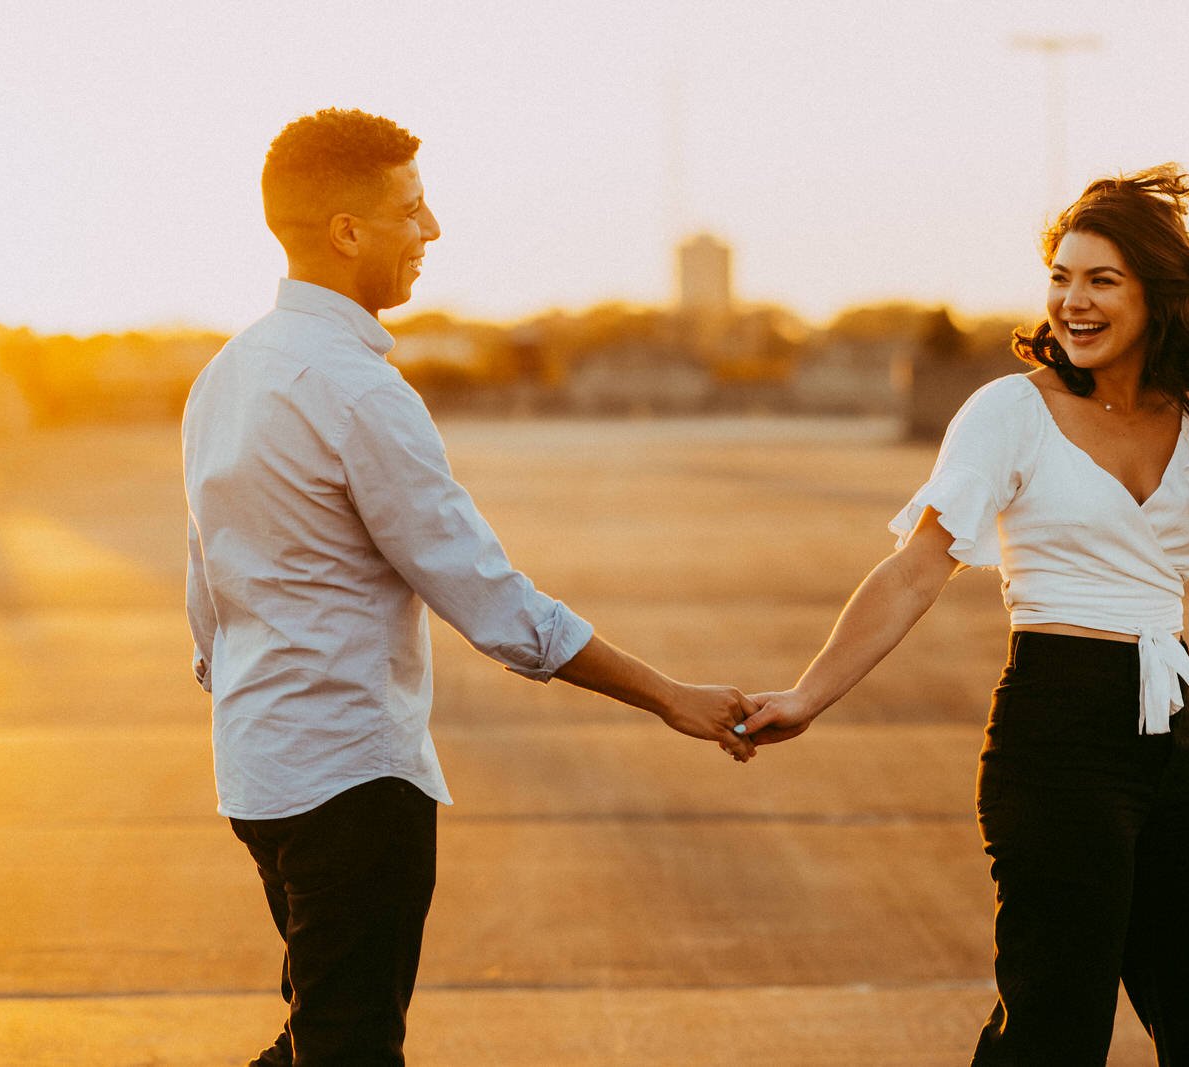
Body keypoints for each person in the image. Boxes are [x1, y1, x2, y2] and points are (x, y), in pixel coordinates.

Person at [182, 108, 757, 1067]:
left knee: (320, 1029)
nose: (433, 229)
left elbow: (206, 591)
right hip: (350, 783)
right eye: (412, 209)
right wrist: (670, 696)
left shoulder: (226, 375)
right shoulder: (359, 392)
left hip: (259, 775)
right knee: (350, 1044)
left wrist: (256, 695)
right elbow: (495, 605)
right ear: (347, 232)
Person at [739, 164, 1189, 1065]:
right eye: (1062, 277)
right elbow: (918, 567)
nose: (1074, 300)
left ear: (1156, 295)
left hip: (1166, 731)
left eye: (1102, 279)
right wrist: (807, 694)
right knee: (1055, 1026)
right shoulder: (1010, 413)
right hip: (1055, 732)